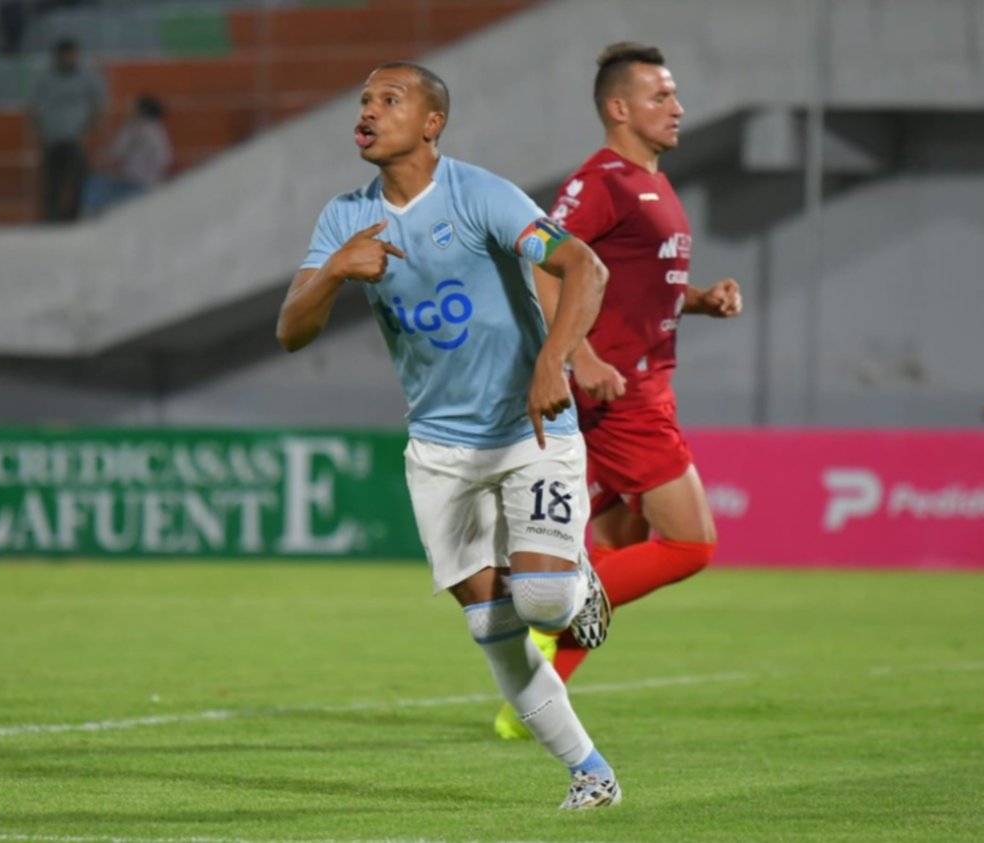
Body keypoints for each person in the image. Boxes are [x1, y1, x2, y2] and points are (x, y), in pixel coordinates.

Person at [276, 61, 622, 810]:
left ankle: (578, 580)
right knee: (492, 627)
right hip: (439, 449)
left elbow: (582, 266)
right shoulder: (345, 216)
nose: (368, 111)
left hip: (530, 427)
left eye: (389, 100)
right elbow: (291, 331)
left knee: (539, 602)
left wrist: (552, 360)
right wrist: (334, 270)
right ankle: (591, 773)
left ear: (432, 123)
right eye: (363, 99)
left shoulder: (479, 195)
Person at [493, 42, 744, 740]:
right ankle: (553, 613)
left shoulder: (652, 184)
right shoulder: (599, 181)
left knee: (618, 539)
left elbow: (637, 285)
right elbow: (545, 267)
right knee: (691, 544)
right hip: (622, 396)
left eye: (674, 95)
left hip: (641, 385)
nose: (678, 107)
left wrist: (699, 300)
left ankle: (536, 699)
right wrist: (579, 355)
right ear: (619, 107)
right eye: (661, 96)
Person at [29, 39, 106, 223]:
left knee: (78, 181)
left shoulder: (87, 77)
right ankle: (51, 220)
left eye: (73, 55)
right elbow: (32, 109)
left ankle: (73, 219)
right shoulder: (44, 78)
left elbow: (97, 106)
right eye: (66, 56)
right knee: (51, 183)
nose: (70, 59)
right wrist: (39, 135)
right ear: (58, 57)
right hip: (51, 140)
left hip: (75, 139)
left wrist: (87, 133)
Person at [82, 95, 173, 217]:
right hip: (125, 179)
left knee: (100, 191)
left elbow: (164, 159)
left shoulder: (155, 131)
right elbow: (114, 154)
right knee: (95, 183)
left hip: (141, 184)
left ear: (142, 110)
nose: (128, 109)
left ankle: (93, 216)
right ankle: (92, 215)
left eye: (133, 107)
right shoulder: (130, 128)